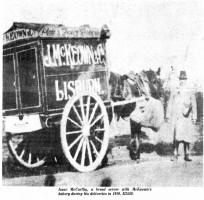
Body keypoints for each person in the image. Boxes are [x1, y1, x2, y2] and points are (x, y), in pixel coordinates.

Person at [166, 70, 197, 161]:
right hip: (177, 117)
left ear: (186, 80)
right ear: (179, 80)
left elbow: (194, 104)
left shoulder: (190, 90)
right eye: (180, 79)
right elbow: (170, 103)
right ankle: (175, 154)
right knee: (177, 136)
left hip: (186, 117)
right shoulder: (175, 90)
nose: (182, 81)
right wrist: (168, 115)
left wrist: (194, 116)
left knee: (186, 136)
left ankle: (187, 154)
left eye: (184, 79)